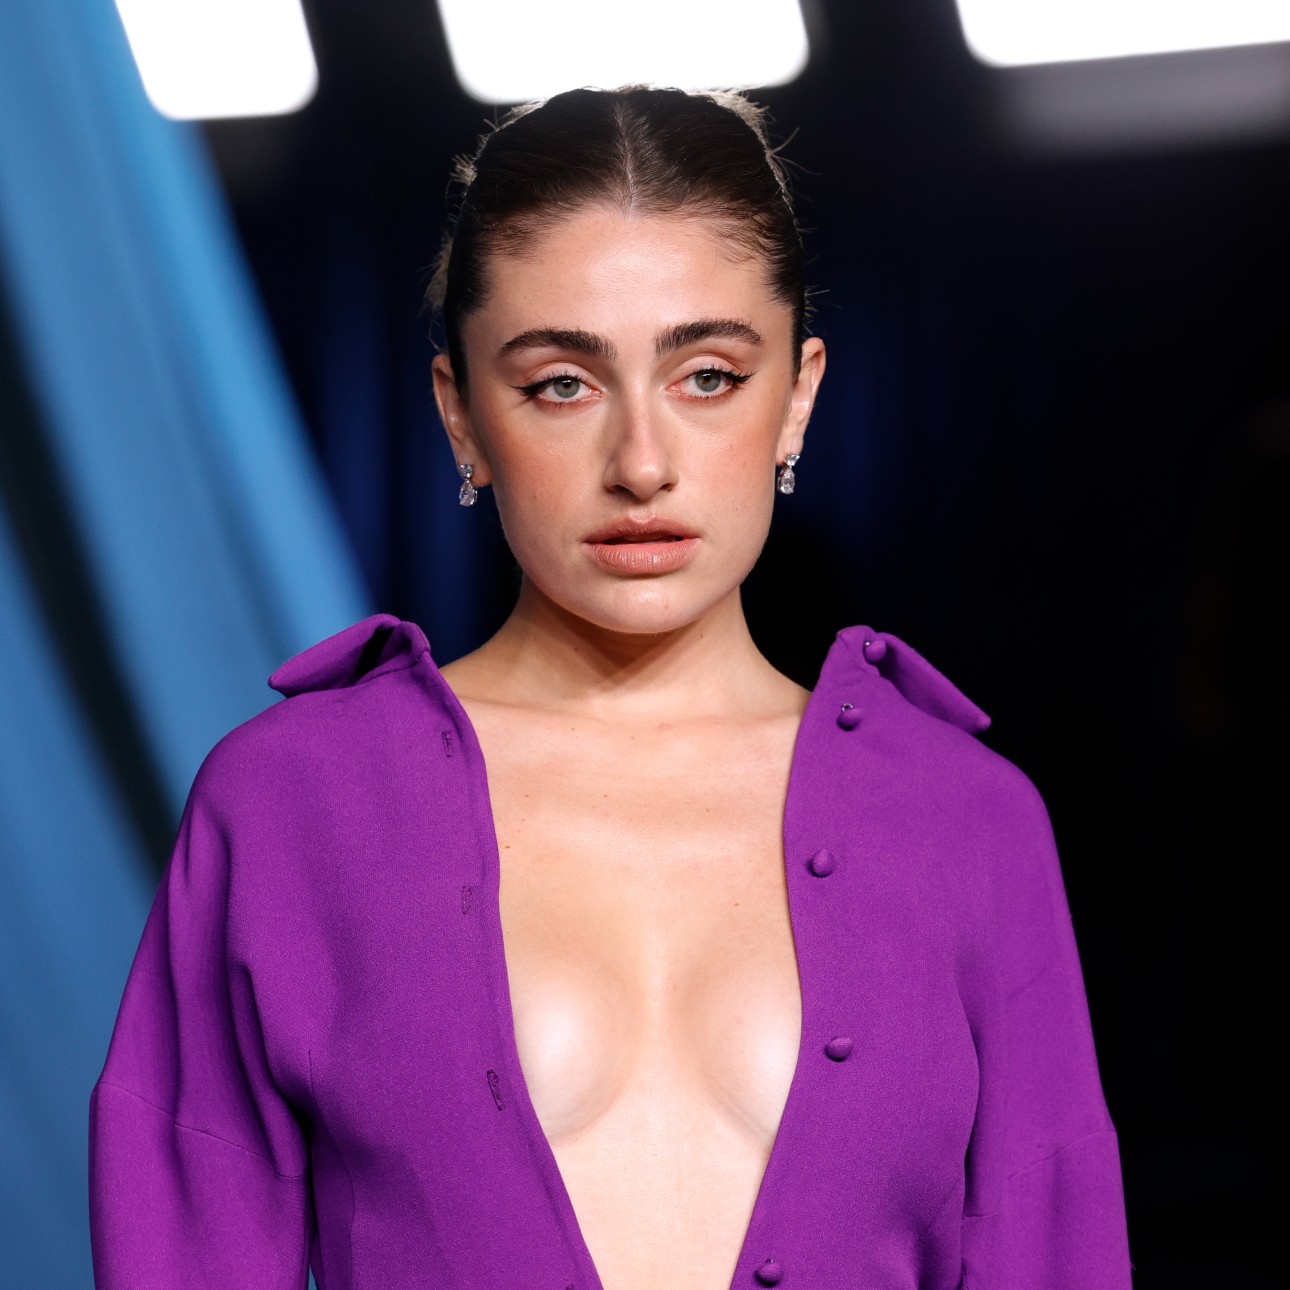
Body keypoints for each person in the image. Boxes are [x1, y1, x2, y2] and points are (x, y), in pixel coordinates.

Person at [88, 86, 1132, 1288]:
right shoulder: (290, 805)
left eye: (707, 376)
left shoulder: (969, 821)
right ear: (458, 414)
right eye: (560, 386)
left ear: (797, 395)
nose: (641, 463)